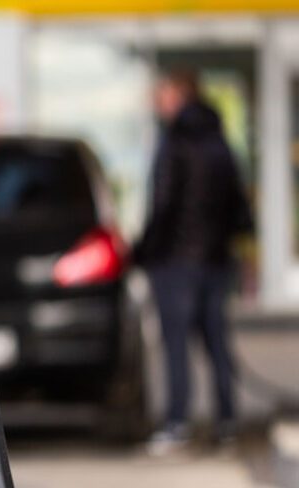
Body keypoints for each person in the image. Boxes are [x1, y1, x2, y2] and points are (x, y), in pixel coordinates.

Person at [134, 70, 254, 454]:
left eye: (161, 93)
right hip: (215, 260)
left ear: (179, 95)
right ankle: (227, 419)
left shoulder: (175, 142)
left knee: (176, 344)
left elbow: (164, 205)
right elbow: (238, 204)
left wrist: (142, 251)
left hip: (175, 261)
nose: (156, 101)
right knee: (216, 340)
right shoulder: (219, 141)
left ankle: (177, 422)